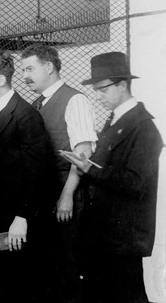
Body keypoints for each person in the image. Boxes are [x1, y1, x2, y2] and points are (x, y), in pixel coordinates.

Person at [60, 52, 162, 303]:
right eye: (95, 90)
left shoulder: (143, 127)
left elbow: (136, 183)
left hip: (123, 240)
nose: (98, 96)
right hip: (105, 236)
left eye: (103, 90)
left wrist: (88, 169)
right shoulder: (117, 120)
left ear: (123, 85)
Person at [0, 48, 56, 303]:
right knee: (9, 279)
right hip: (2, 218)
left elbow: (37, 171)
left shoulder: (24, 116)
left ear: (0, 80)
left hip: (16, 221)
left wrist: (22, 217)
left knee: (21, 282)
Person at [20, 44, 98, 303]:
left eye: (30, 68)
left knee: (68, 270)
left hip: (67, 200)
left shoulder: (75, 100)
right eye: (23, 70)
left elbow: (82, 154)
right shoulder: (36, 104)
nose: (25, 75)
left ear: (49, 67)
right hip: (45, 200)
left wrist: (67, 196)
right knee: (49, 270)